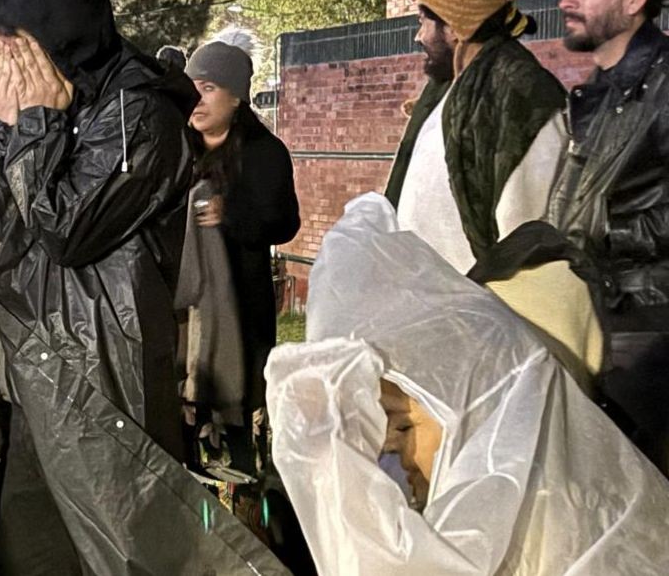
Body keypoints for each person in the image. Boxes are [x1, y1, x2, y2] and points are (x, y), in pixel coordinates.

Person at [0, 0, 287, 575]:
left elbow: (70, 230)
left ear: (59, 33)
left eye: (19, 46)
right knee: (25, 543)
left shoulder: (142, 113)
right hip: (23, 366)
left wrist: (32, 125)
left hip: (101, 377)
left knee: (114, 547)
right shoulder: (32, 107)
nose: (10, 66)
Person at [265, 193, 669, 575]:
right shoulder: (507, 496)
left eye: (403, 427)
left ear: (489, 416)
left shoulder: (550, 526)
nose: (394, 454)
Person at [548, 0, 669, 474]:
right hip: (592, 318)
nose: (566, 0)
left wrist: (604, 232)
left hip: (649, 335)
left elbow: (600, 219)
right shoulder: (595, 92)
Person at [384, 0, 567, 274]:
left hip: (476, 312)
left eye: (423, 21)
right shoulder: (450, 86)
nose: (417, 36)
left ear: (453, 27)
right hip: (425, 304)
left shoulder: (522, 94)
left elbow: (525, 234)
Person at [181, 40, 300, 479]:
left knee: (239, 411)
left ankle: (249, 495)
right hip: (186, 311)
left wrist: (232, 215)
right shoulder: (178, 150)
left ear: (237, 96)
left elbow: (285, 223)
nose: (197, 100)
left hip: (241, 309)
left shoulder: (264, 153)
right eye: (191, 88)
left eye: (208, 87)